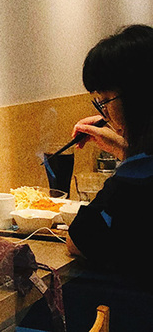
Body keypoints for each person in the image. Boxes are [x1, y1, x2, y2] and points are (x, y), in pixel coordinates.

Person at [65, 24, 153, 286]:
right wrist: (125, 149)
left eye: (104, 101)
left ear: (136, 98)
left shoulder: (134, 180)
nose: (104, 113)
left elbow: (79, 239)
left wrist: (129, 155)